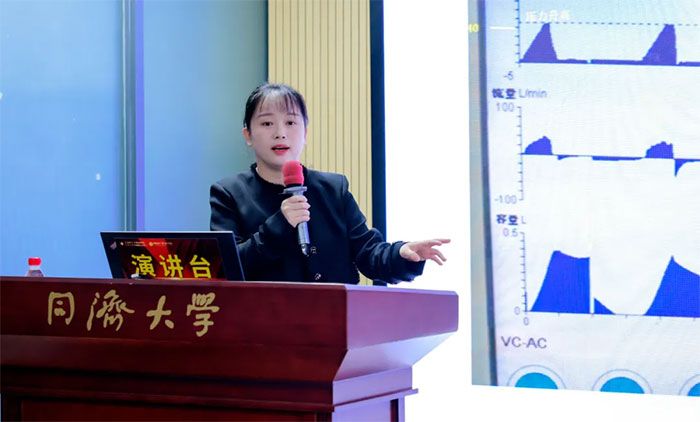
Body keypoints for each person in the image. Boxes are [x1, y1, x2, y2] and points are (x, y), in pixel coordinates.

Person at [210, 83, 449, 284]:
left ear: (305, 133)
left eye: (291, 123)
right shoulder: (229, 193)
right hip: (264, 322)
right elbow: (226, 268)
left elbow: (368, 254)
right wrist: (280, 224)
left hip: (334, 320)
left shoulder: (334, 188)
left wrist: (401, 254)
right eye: (267, 124)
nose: (280, 133)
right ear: (248, 135)